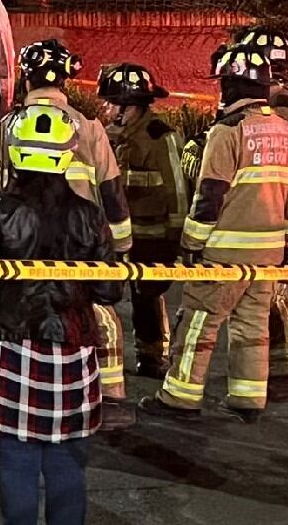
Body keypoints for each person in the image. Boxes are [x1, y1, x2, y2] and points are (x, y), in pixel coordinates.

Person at [0, 104, 121, 525]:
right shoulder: (89, 215)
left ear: (16, 152)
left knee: (15, 462)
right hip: (73, 350)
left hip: (14, 346)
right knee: (67, 464)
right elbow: (109, 290)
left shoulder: (2, 211)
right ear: (67, 154)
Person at [140, 44, 288, 423]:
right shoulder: (286, 131)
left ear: (233, 85)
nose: (220, 91)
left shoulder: (227, 131)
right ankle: (248, 398)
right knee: (252, 325)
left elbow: (210, 193)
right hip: (269, 252)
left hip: (224, 252)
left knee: (199, 321)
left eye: (224, 83)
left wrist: (191, 244)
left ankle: (180, 397)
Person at [0, 39, 135, 430]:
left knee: (19, 316)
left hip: (21, 241)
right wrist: (120, 248)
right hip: (83, 240)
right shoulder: (90, 128)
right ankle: (111, 398)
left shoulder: (7, 127)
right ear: (67, 78)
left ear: (26, 78)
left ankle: (15, 398)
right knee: (97, 315)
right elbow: (111, 191)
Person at [97, 63, 187, 379]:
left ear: (130, 105)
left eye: (111, 102)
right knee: (102, 296)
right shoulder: (105, 139)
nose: (105, 108)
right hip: (112, 235)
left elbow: (177, 192)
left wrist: (177, 240)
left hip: (151, 237)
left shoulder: (159, 136)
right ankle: (102, 359)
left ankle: (152, 357)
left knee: (147, 297)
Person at [238, 27, 288, 401]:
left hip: (276, 213)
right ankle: (282, 368)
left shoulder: (279, 106)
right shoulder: (285, 100)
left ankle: (284, 370)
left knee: (272, 294)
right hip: (282, 211)